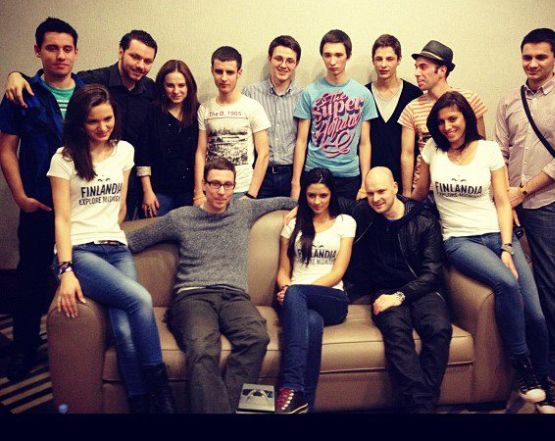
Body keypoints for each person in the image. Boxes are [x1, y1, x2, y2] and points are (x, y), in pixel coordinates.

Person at [413, 91, 555, 413]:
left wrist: (507, 247)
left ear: (465, 118)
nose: (448, 127)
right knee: (505, 283)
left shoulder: (489, 150)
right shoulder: (432, 149)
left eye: (453, 119)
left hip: (497, 234)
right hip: (459, 240)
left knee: (535, 313)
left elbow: (503, 202)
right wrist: (391, 201)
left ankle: (543, 385)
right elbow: (419, 194)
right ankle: (523, 370)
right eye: (441, 121)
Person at [125, 156, 297, 413]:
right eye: (215, 184)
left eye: (228, 185)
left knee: (257, 338)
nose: (221, 191)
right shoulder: (182, 217)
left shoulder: (244, 210)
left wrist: (299, 209)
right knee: (202, 347)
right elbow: (135, 240)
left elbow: (289, 201)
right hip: (193, 296)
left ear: (234, 186)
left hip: (234, 296)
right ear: (203, 185)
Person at [47, 84, 176, 414]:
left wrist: (110, 229)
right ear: (79, 122)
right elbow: (62, 218)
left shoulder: (124, 152)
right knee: (140, 298)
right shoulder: (63, 159)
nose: (102, 127)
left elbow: (120, 206)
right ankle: (160, 392)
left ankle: (138, 401)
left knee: (124, 328)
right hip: (80, 250)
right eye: (93, 121)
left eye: (107, 119)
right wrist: (66, 270)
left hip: (116, 247)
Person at [494, 28, 555, 387]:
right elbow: (499, 153)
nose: (532, 64)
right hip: (510, 205)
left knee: (551, 283)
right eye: (527, 57)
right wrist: (506, 199)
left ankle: (554, 356)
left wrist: (522, 192)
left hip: (548, 203)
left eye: (540, 57)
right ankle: (523, 356)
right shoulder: (509, 101)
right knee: (513, 280)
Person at [0, 17, 85, 381]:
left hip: (81, 205)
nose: (60, 56)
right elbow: (6, 148)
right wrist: (20, 196)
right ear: (38, 51)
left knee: (80, 275)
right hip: (40, 202)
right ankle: (23, 348)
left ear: (76, 52)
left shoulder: (87, 93)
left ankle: (79, 349)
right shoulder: (22, 93)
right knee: (31, 277)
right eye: (52, 48)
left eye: (67, 49)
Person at [5, 29, 160, 218]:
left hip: (127, 183)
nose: (140, 65)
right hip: (85, 184)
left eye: (147, 61)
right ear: (121, 52)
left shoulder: (150, 89)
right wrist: (15, 75)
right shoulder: (92, 81)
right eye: (135, 57)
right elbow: (57, 79)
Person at [341, 166, 452, 413]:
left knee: (439, 329)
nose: (376, 198)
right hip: (384, 288)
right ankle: (423, 407)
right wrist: (296, 207)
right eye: (370, 193)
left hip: (422, 287)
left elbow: (432, 273)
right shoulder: (364, 212)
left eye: (381, 191)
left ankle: (420, 406)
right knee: (396, 334)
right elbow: (330, 201)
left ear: (395, 187)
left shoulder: (423, 218)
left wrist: (401, 296)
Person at [275, 167, 355, 413]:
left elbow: (337, 272)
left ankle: (289, 386)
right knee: (311, 322)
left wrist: (294, 292)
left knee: (298, 294)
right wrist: (286, 288)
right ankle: (303, 405)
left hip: (333, 298)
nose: (317, 201)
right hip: (298, 302)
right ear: (304, 195)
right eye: (311, 195)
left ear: (332, 194)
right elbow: (283, 270)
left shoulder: (345, 223)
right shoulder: (293, 225)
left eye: (323, 195)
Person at [292, 29, 378, 201]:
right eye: (327, 55)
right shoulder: (310, 92)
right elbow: (301, 141)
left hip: (349, 176)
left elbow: (365, 143)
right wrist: (296, 182)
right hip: (315, 173)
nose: (332, 61)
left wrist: (364, 184)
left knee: (347, 218)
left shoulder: (363, 94)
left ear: (348, 56)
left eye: (338, 55)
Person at [399, 40, 487, 197]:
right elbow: (407, 154)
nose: (417, 73)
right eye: (416, 67)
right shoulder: (412, 108)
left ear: (442, 70)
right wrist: (407, 195)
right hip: (426, 191)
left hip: (462, 187)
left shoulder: (469, 99)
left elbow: (481, 145)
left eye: (423, 67)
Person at [193, 46, 270, 204]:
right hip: (212, 189)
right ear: (212, 71)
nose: (224, 78)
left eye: (230, 72)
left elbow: (264, 153)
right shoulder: (205, 108)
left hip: (242, 190)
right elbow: (201, 152)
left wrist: (251, 194)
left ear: (239, 73)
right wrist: (199, 192)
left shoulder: (253, 107)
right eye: (219, 71)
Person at [242, 35, 304, 198]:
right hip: (259, 174)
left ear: (296, 64)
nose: (283, 65)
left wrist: (296, 182)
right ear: (270, 59)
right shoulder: (250, 93)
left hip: (291, 174)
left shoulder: (302, 96)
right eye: (278, 58)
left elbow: (302, 140)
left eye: (290, 61)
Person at [136, 59, 200, 217]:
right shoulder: (152, 111)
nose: (176, 91)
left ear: (189, 86)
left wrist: (199, 191)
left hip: (189, 191)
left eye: (181, 85)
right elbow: (143, 155)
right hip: (158, 192)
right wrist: (147, 191)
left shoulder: (198, 112)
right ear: (162, 86)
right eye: (170, 85)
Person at [364, 34, 421, 188]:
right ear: (373, 61)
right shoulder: (363, 94)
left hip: (405, 181)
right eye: (379, 59)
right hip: (372, 184)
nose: (383, 64)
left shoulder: (413, 94)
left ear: (399, 60)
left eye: (389, 59)